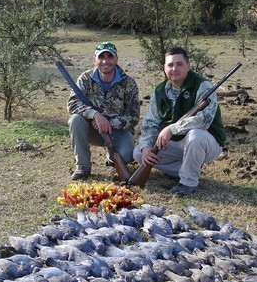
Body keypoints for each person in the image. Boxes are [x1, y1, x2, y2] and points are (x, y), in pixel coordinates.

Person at [133, 47, 225, 195]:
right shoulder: (160, 90)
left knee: (196, 136)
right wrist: (145, 147)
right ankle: (186, 169)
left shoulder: (204, 86)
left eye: (179, 64)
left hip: (206, 142)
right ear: (164, 68)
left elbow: (204, 120)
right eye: (170, 65)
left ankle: (188, 183)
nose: (174, 68)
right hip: (176, 144)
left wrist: (172, 129)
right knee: (138, 153)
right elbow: (150, 122)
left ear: (188, 65)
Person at [67, 42, 140, 180]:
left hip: (117, 131)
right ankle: (83, 167)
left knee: (127, 155)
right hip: (92, 129)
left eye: (110, 57)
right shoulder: (85, 78)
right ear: (94, 59)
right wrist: (94, 115)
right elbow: (73, 103)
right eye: (101, 57)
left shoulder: (129, 83)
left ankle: (112, 156)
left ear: (116, 59)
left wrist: (110, 123)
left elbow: (133, 116)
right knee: (75, 120)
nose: (105, 61)